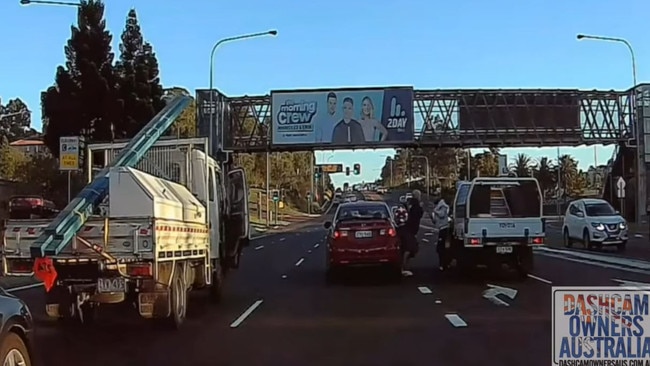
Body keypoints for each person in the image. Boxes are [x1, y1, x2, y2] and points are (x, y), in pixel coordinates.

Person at [400, 189, 423, 277]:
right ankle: (403, 267)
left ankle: (404, 266)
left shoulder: (410, 204)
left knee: (410, 249)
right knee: (410, 248)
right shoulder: (415, 205)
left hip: (409, 229)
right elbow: (417, 215)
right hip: (409, 229)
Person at [431, 195, 450, 271]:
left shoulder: (442, 206)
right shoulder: (439, 206)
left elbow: (441, 214)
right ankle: (443, 263)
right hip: (441, 228)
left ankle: (444, 264)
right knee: (441, 248)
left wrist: (435, 211)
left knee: (441, 248)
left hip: (444, 228)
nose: (434, 198)